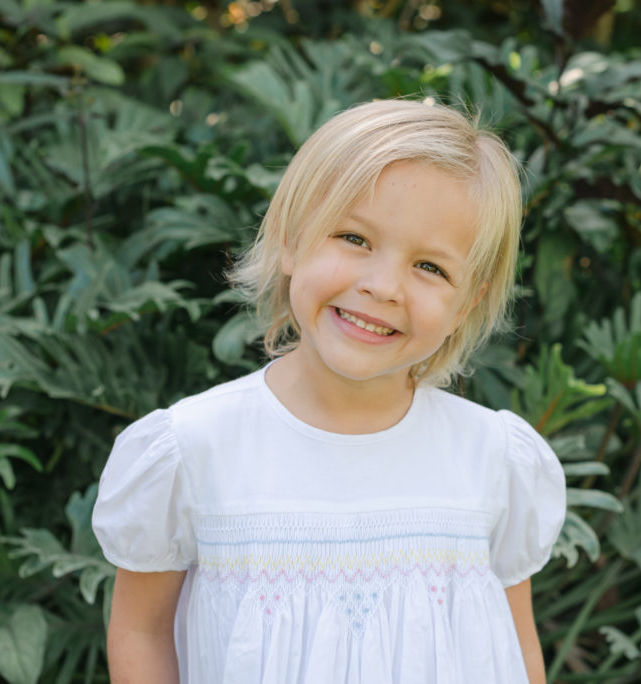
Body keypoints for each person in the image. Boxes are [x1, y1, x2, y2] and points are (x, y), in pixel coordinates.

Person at [92, 99, 566, 684]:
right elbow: (140, 631)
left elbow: (517, 645)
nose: (383, 286)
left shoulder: (492, 457)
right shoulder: (194, 449)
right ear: (292, 238)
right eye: (354, 238)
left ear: (466, 302)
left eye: (430, 268)